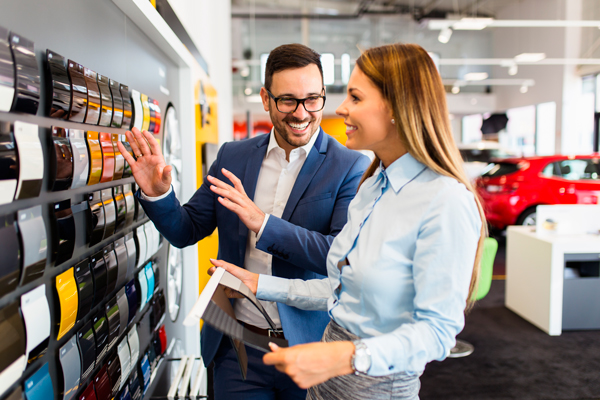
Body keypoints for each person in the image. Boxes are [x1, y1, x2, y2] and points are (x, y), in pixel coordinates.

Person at [208, 42, 487, 400]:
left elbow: (438, 333)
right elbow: (338, 289)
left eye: (355, 97)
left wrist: (349, 356)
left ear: (396, 108)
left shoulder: (445, 201)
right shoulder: (373, 188)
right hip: (326, 386)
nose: (340, 109)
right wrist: (260, 284)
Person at [117, 43, 370, 400]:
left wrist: (262, 222)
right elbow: (185, 230)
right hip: (238, 347)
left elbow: (336, 258)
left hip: (310, 348)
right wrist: (159, 194)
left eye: (313, 99)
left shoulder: (349, 166)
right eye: (288, 101)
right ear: (266, 98)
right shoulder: (233, 156)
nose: (302, 113)